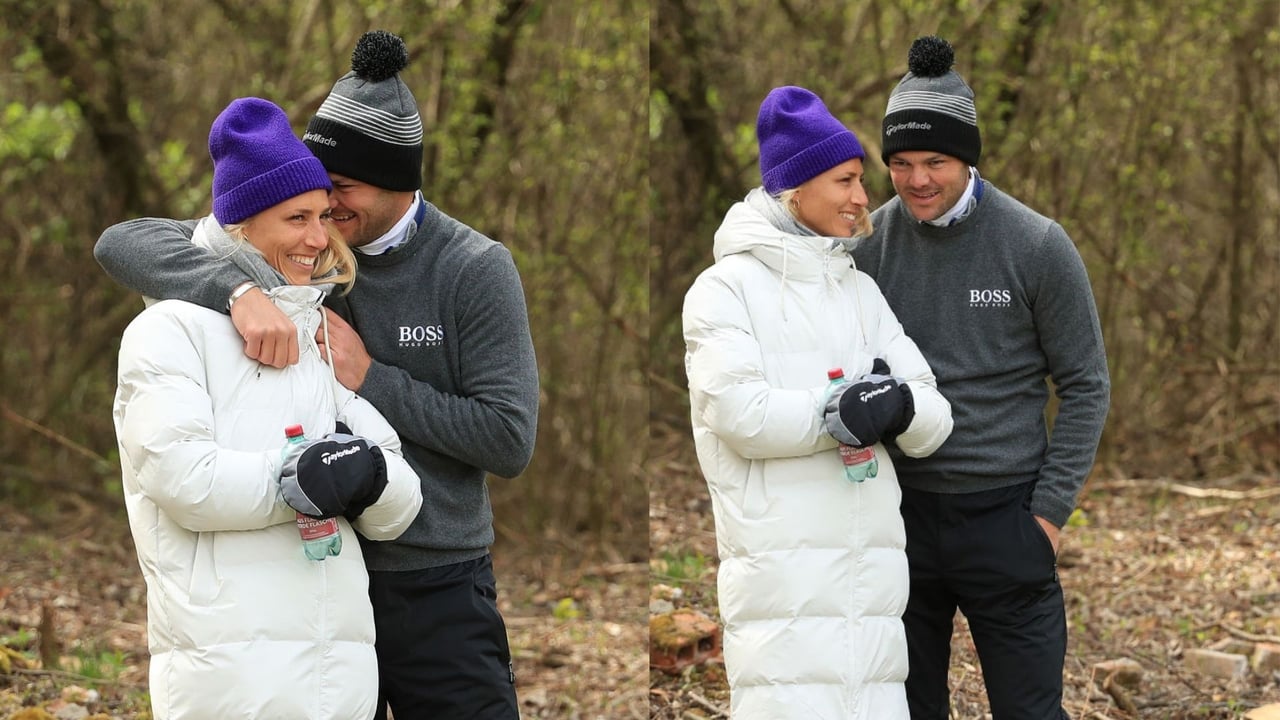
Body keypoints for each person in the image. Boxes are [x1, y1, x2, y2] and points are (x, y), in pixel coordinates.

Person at [95, 31, 539, 720]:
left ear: (399, 182)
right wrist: (237, 295)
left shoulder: (474, 268)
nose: (324, 219)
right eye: (307, 204)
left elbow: (508, 440)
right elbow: (126, 240)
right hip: (322, 576)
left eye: (339, 193)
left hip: (433, 573)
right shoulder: (289, 257)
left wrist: (369, 377)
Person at [112, 96, 424, 720]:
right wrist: (301, 479)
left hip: (342, 678)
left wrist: (370, 478)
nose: (319, 238)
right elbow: (183, 481)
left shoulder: (312, 332)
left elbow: (398, 498)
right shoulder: (168, 332)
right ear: (243, 226)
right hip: (231, 675)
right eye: (296, 218)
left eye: (322, 216)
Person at [852, 36, 1111, 719]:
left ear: (967, 157)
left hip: (1008, 518)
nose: (917, 180)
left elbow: (1086, 383)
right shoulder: (869, 246)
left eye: (936, 160)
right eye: (901, 163)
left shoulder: (1036, 245)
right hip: (900, 517)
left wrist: (1048, 517)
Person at [682, 85, 954, 720]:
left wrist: (900, 410)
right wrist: (840, 412)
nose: (863, 200)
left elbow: (933, 414)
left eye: (861, 180)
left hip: (875, 582)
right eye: (845, 180)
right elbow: (741, 416)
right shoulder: (724, 291)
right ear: (795, 188)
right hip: (785, 579)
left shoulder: (858, 291)